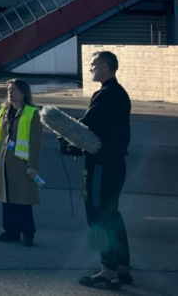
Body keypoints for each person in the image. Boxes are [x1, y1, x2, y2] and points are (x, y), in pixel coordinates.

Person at [61, 51, 133, 289]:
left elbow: (87, 126)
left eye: (92, 65)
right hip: (116, 165)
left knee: (98, 218)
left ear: (104, 67)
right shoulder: (120, 93)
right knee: (113, 215)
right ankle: (122, 268)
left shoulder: (105, 95)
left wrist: (66, 139)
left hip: (101, 166)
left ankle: (108, 271)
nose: (89, 69)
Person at [0, 78, 43, 247]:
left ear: (24, 92)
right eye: (8, 90)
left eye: (13, 90)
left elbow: (36, 142)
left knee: (23, 200)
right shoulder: (4, 110)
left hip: (22, 162)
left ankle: (28, 233)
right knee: (7, 198)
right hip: (5, 160)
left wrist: (33, 165)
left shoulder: (32, 113)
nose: (10, 92)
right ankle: (11, 231)